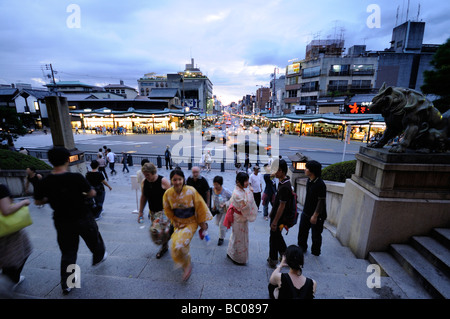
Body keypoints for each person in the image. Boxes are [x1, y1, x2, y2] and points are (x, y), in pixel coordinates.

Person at [34, 147, 107, 295]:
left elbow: (38, 201)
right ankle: (98, 256)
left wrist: (51, 198)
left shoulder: (46, 181)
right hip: (82, 216)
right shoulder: (76, 178)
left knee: (68, 251)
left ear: (50, 161)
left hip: (62, 220)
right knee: (94, 239)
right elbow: (92, 193)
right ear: (67, 159)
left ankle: (68, 284)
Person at [163, 169, 212, 281]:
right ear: (171, 181)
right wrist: (174, 221)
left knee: (180, 245)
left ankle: (186, 266)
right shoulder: (168, 193)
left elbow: (200, 208)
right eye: (174, 180)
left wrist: (203, 224)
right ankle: (186, 262)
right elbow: (167, 209)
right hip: (178, 223)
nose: (177, 182)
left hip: (191, 222)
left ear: (183, 179)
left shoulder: (191, 191)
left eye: (179, 179)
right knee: (174, 246)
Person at [0, 184, 32, 291]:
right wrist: (24, 202)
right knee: (18, 255)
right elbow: (7, 210)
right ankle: (8, 282)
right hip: (7, 230)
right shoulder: (1, 188)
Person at [138, 162, 171, 259]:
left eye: (147, 174)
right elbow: (143, 197)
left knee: (155, 231)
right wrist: (140, 211)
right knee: (163, 232)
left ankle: (164, 243)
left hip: (163, 211)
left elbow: (171, 197)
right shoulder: (145, 182)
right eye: (144, 175)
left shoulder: (163, 181)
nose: (146, 176)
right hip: (152, 211)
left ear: (153, 172)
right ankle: (164, 246)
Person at [223, 172, 258, 265]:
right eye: (245, 181)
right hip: (239, 218)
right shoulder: (238, 193)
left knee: (235, 236)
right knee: (240, 238)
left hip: (239, 216)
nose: (247, 183)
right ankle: (238, 258)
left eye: (247, 180)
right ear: (238, 182)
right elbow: (246, 206)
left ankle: (230, 253)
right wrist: (250, 192)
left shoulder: (239, 190)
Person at [297, 160, 327, 256]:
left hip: (317, 214)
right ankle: (302, 247)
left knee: (316, 235)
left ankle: (316, 252)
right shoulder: (309, 181)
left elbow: (321, 201)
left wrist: (315, 215)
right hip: (306, 211)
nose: (305, 170)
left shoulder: (320, 184)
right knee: (302, 231)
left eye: (307, 168)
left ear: (312, 170)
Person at [267, 159, 292, 268]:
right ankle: (285, 256)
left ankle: (274, 259)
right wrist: (272, 212)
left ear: (281, 171)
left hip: (280, 218)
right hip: (276, 215)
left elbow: (282, 206)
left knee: (274, 238)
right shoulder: (283, 181)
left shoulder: (285, 187)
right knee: (276, 236)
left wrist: (275, 222)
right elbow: (277, 202)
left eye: (276, 170)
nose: (274, 172)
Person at [211, 175, 232, 246]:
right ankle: (225, 228)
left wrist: (226, 203)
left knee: (221, 225)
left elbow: (232, 199)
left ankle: (221, 238)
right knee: (217, 223)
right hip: (218, 210)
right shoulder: (213, 190)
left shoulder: (226, 191)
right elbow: (214, 198)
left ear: (221, 184)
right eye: (214, 184)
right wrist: (214, 206)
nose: (215, 186)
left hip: (225, 210)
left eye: (217, 185)